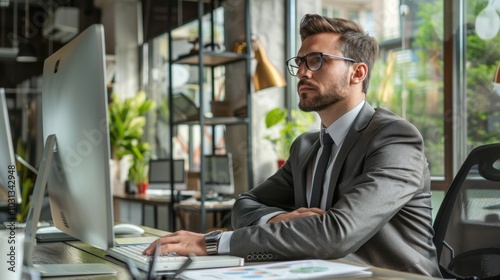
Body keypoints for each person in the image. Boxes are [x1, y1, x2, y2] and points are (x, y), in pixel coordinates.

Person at [143, 14, 442, 277]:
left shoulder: (394, 138)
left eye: (316, 60)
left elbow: (336, 234)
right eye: (299, 62)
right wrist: (276, 218)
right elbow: (243, 205)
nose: (302, 73)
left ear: (357, 73)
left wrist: (211, 242)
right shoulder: (307, 147)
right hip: (317, 272)